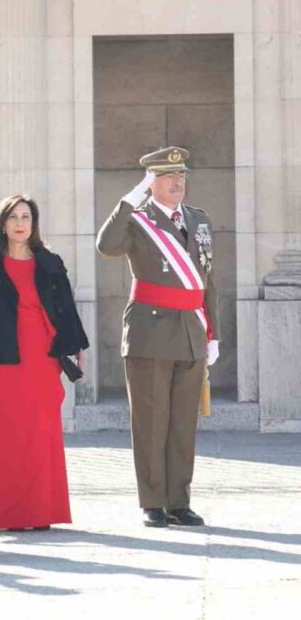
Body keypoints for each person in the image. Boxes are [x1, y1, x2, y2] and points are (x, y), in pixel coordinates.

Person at [97, 146, 219, 528]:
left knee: (183, 423)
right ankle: (152, 501)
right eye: (168, 177)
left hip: (191, 330)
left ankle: (179, 501)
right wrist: (131, 199)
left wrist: (212, 332)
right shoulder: (136, 219)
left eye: (181, 176)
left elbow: (206, 280)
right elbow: (107, 245)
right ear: (151, 182)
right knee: (151, 421)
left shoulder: (198, 220)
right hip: (150, 332)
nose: (178, 182)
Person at [0, 195, 87, 531]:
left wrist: (79, 348)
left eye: (26, 217)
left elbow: (67, 309)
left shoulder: (50, 263)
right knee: (7, 433)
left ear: (33, 224)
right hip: (3, 358)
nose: (20, 223)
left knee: (42, 431)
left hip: (42, 356)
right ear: (2, 224)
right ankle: (8, 513)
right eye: (13, 217)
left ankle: (41, 512)